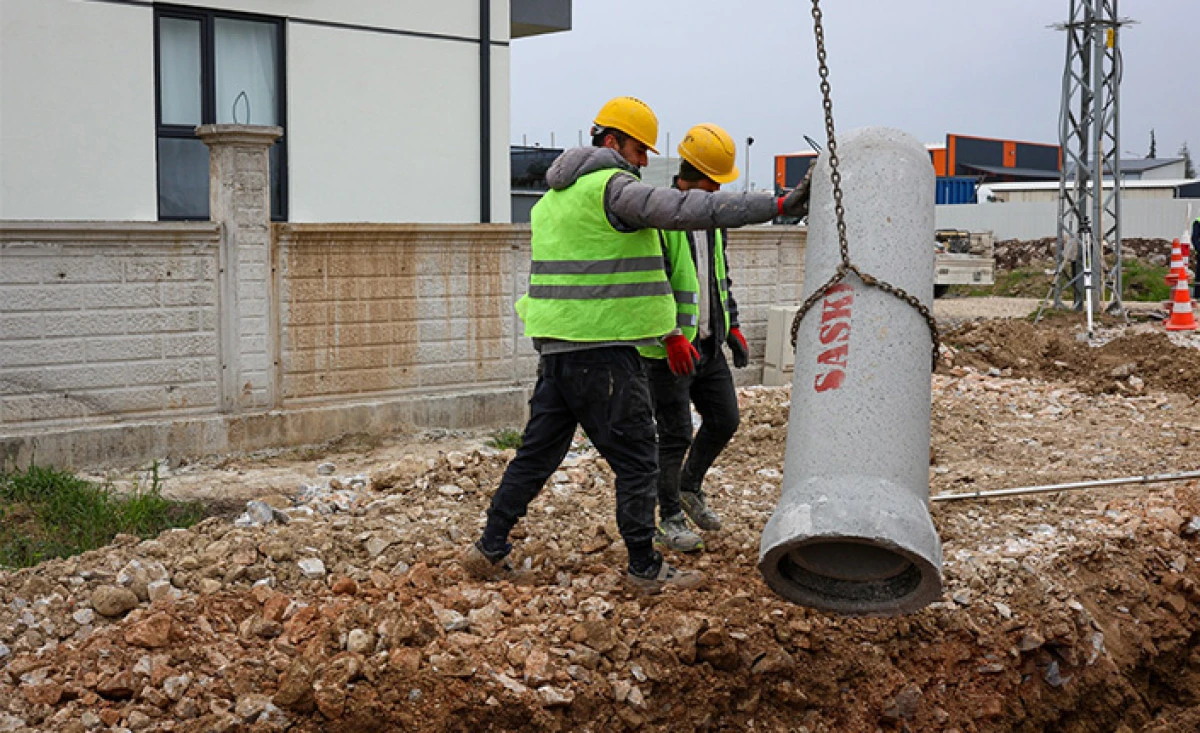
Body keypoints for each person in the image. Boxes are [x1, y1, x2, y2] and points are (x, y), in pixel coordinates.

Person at [463, 96, 811, 593]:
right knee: (639, 460)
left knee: (535, 455)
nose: (646, 160)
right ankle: (644, 566)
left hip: (558, 351)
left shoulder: (552, 202)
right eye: (639, 148)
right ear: (611, 142)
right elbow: (689, 207)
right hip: (604, 352)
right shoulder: (613, 188)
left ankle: (489, 546)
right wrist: (779, 205)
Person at [639, 123, 751, 553]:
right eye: (715, 182)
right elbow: (650, 282)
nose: (720, 190)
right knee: (674, 434)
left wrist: (732, 325)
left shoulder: (711, 220)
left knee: (725, 419)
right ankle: (667, 517)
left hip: (706, 345)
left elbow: (718, 277)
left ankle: (689, 487)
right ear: (700, 177)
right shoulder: (660, 217)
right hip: (667, 350)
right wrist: (669, 334)